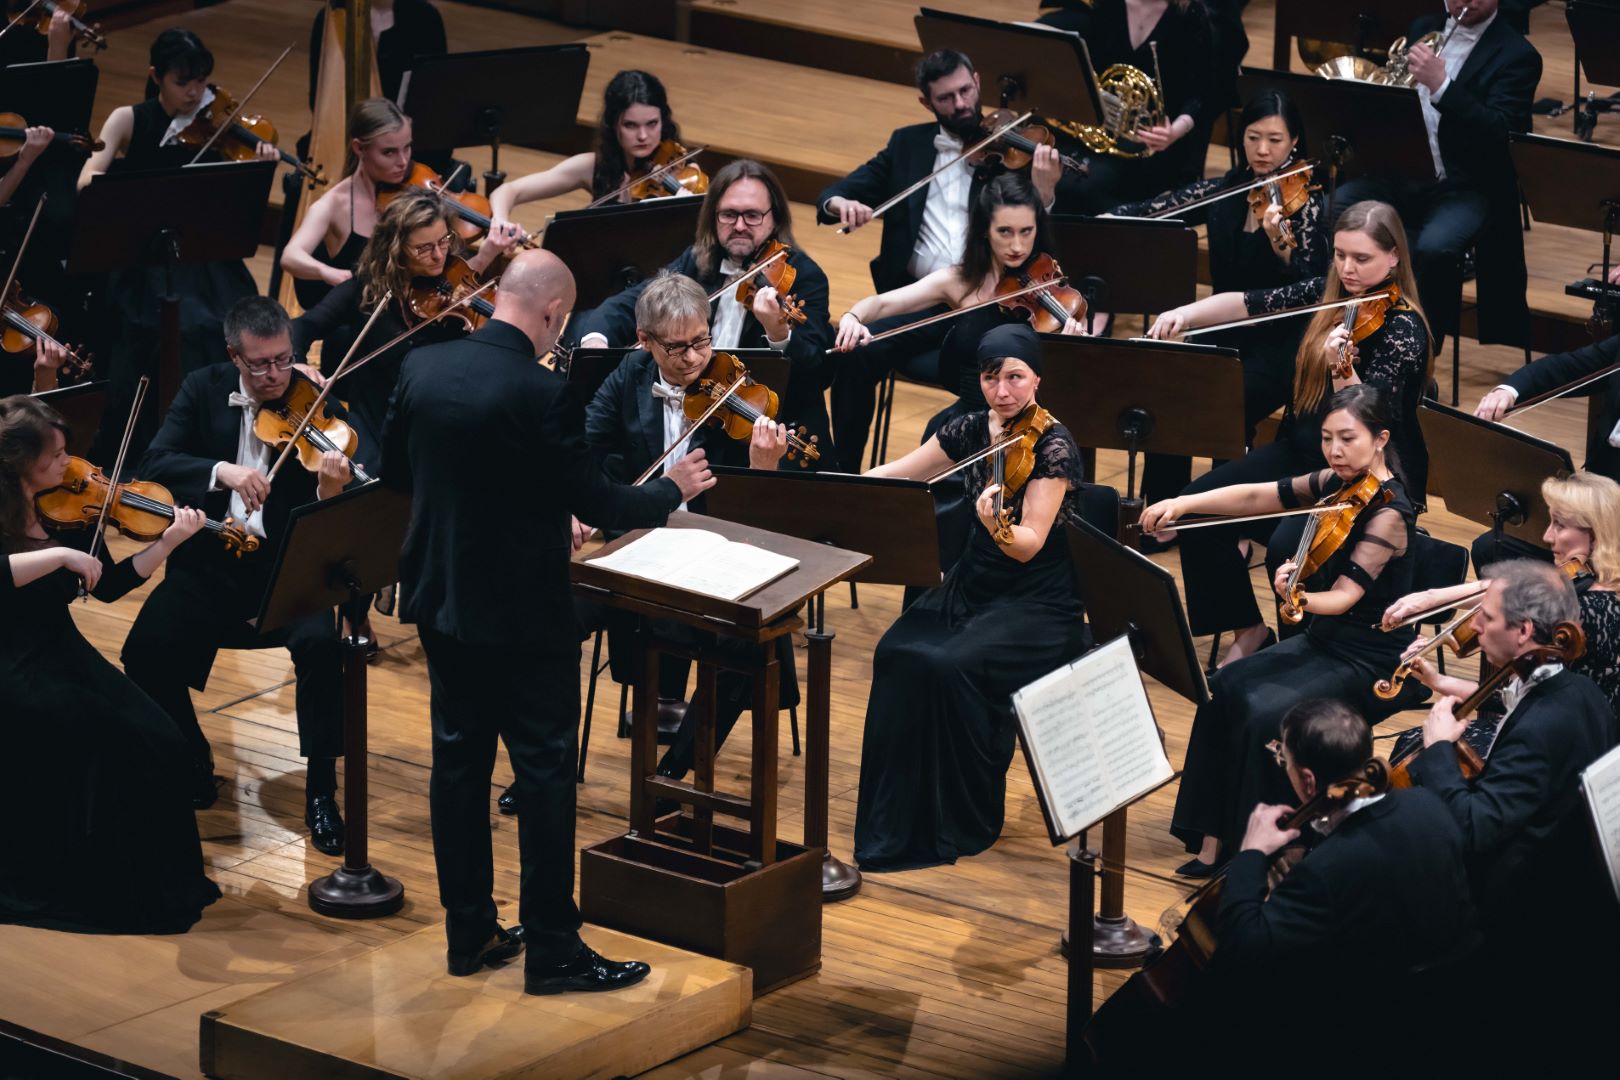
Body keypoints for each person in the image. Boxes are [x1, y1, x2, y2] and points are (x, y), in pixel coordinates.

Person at [378, 248, 713, 993]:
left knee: (458, 767)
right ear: (557, 315)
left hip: (438, 600)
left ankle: (468, 933)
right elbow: (599, 503)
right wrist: (668, 495)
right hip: (525, 615)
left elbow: (398, 476)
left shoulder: (420, 368)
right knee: (544, 774)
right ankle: (555, 950)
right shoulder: (541, 391)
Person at [1140, 385, 1419, 875]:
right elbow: (1258, 495)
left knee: (1265, 712)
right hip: (1321, 641)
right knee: (1222, 688)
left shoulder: (1391, 513)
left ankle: (1259, 846)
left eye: (1347, 439)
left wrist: (1300, 598)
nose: (1334, 450)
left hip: (1367, 657)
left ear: (1380, 439)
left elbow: (1346, 597)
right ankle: (1212, 841)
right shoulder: (1337, 482)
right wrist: (1185, 505)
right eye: (1328, 438)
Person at [1149, 201, 1433, 665]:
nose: (1347, 268)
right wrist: (1185, 313)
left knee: (1286, 543)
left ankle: (1306, 654)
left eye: (1361, 259)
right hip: (1304, 451)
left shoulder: (1404, 329)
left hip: (1365, 474)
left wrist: (1342, 370)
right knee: (1199, 506)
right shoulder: (1331, 295)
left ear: (1394, 257)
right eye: (1341, 255)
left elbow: (1364, 423)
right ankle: (1248, 628)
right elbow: (1249, 302)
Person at [120, 297, 356, 856]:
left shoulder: (316, 398)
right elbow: (153, 463)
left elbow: (341, 505)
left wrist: (330, 487)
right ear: (234, 356)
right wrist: (219, 471)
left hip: (289, 570)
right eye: (260, 365)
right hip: (210, 564)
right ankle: (193, 757)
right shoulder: (203, 389)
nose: (276, 376)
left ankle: (322, 790)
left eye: (284, 359)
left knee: (323, 648)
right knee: (145, 653)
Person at [853, 323, 1089, 871]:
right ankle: (896, 820)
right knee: (896, 653)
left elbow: (1029, 545)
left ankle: (962, 816)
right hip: (972, 582)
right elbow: (900, 474)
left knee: (945, 665)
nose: (1003, 391)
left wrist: (996, 525)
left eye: (1015, 378)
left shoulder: (1055, 447)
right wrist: (847, 488)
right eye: (991, 378)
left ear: (1036, 379)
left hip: (1036, 601)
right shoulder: (967, 428)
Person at [0, 395, 221, 933]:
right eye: (54, 457)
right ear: (18, 462)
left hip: (60, 650)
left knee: (162, 739)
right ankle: (96, 880)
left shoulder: (59, 504)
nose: (66, 465)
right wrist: (57, 555)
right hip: (15, 667)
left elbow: (107, 585)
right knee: (110, 742)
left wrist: (168, 542)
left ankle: (156, 880)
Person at [817, 48, 1077, 470]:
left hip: (993, 298)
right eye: (946, 98)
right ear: (926, 101)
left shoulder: (1010, 154)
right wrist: (842, 205)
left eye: (965, 91)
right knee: (852, 352)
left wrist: (1045, 191)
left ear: (977, 81)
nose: (960, 104)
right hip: (930, 299)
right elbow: (839, 192)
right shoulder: (907, 144)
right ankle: (844, 471)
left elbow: (1029, 225)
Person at [584, 271, 793, 788]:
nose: (695, 359)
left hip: (719, 545)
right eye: (676, 348)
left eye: (701, 341)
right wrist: (578, 509)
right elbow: (584, 449)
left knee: (751, 642)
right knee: (557, 612)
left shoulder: (740, 387)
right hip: (642, 539)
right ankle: (548, 766)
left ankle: (676, 768)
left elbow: (763, 509)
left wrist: (764, 464)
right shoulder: (628, 377)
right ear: (644, 341)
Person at [1404, 560, 1618, 1014]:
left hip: (1523, 905)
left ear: (1523, 632)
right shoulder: (1578, 690)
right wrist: (1443, 683)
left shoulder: (1542, 728)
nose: (1475, 625)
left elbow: (1472, 830)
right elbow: (1513, 700)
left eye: (1487, 616)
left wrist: (1441, 748)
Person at [1110, 89, 1330, 506]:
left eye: (1275, 140)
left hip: (1283, 342)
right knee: (1169, 393)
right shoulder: (1229, 190)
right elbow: (1158, 208)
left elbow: (1312, 282)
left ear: (1295, 141)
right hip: (1223, 329)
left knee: (1225, 403)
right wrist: (1106, 219)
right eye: (1252, 137)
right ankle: (1163, 508)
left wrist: (1279, 242)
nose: (1262, 150)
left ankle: (1221, 518)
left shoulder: (1310, 203)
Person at [76, 28, 279, 464]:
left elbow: (233, 206)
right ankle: (151, 439)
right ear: (156, 76)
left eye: (202, 82)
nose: (194, 93)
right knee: (165, 332)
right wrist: (130, 189)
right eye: (182, 82)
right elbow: (87, 179)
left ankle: (219, 432)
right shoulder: (129, 118)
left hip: (202, 255)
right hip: (142, 259)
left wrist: (257, 171)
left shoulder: (217, 126)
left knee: (222, 324)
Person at [1216, 699, 1474, 1017]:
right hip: (1457, 991)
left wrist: (1251, 853)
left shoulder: (1321, 873)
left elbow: (1242, 948)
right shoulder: (1429, 802)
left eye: (1285, 760)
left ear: (1309, 781)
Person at [573, 158, 835, 463]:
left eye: (752, 215)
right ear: (713, 217)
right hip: (699, 412)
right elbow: (635, 300)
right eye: (729, 215)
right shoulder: (698, 261)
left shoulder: (803, 277)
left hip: (765, 422)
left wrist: (779, 333)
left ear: (774, 219)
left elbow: (818, 373)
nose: (739, 226)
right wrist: (596, 337)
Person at [1333, 0, 1541, 349]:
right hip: (1402, 173)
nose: (1468, 1)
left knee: (1436, 248)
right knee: (1337, 207)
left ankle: (1417, 351)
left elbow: (1501, 132)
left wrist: (1442, 85)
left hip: (1465, 187)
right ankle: (1345, 327)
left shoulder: (1518, 55)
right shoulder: (1422, 28)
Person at [834, 173, 1088, 440]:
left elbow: (1070, 385)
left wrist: (1068, 352)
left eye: (1026, 231)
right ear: (984, 231)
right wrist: (853, 316)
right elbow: (883, 303)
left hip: (1029, 428)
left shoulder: (1054, 289)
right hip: (970, 421)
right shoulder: (960, 281)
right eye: (1004, 232)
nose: (1017, 245)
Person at [292, 189, 520, 465]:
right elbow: (303, 326)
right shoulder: (367, 289)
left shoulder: (456, 294)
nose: (438, 255)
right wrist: (298, 362)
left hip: (432, 429)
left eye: (443, 241)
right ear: (396, 250)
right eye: (423, 248)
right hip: (371, 424)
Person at [1389, 470, 1620, 723]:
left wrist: (1440, 683)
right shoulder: (1595, 587)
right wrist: (1437, 679)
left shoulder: (1582, 612)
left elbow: (1521, 703)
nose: (1546, 536)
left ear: (1596, 536)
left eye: (1560, 525)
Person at [1472, 334, 1620, 567]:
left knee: (1577, 577)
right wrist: (1509, 391)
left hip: (1611, 528)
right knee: (1490, 549)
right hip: (1595, 504)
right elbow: (1567, 367)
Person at [1069, 0, 1221, 212]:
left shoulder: (1190, 14)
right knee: (1064, 175)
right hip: (1107, 133)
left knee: (1091, 186)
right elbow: (1090, 70)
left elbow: (1203, 92)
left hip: (1160, 144)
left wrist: (1175, 130)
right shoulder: (1106, 6)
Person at [490, 69, 692, 224]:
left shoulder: (680, 170)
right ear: (613, 125)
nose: (643, 136)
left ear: (662, 122)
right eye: (630, 125)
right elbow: (509, 191)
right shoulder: (594, 167)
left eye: (652, 124)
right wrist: (500, 220)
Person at [280, 98, 415, 310]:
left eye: (407, 148)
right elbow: (290, 256)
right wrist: (326, 272)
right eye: (389, 152)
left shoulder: (412, 185)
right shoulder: (334, 204)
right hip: (355, 317)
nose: (403, 162)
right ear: (359, 148)